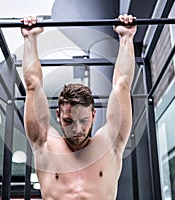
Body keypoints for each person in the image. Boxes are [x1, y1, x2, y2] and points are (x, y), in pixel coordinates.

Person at [21, 14, 137, 200]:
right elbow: (33, 85)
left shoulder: (109, 144)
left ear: (93, 114)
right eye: (69, 121)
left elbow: (122, 86)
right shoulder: (45, 144)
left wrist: (126, 37)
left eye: (84, 121)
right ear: (58, 115)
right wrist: (30, 39)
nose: (77, 129)